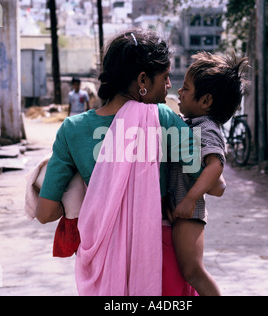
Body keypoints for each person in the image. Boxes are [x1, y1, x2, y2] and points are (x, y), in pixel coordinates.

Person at [35, 29, 225, 296]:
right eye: (166, 77)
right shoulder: (163, 118)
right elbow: (216, 185)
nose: (170, 85)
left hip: (102, 260)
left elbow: (45, 213)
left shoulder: (71, 130)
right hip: (156, 257)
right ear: (142, 80)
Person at [168, 51, 249, 296]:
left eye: (186, 88)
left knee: (192, 271)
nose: (179, 92)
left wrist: (191, 198)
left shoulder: (207, 128)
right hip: (181, 209)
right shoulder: (190, 123)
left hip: (189, 213)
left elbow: (216, 166)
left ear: (205, 102)